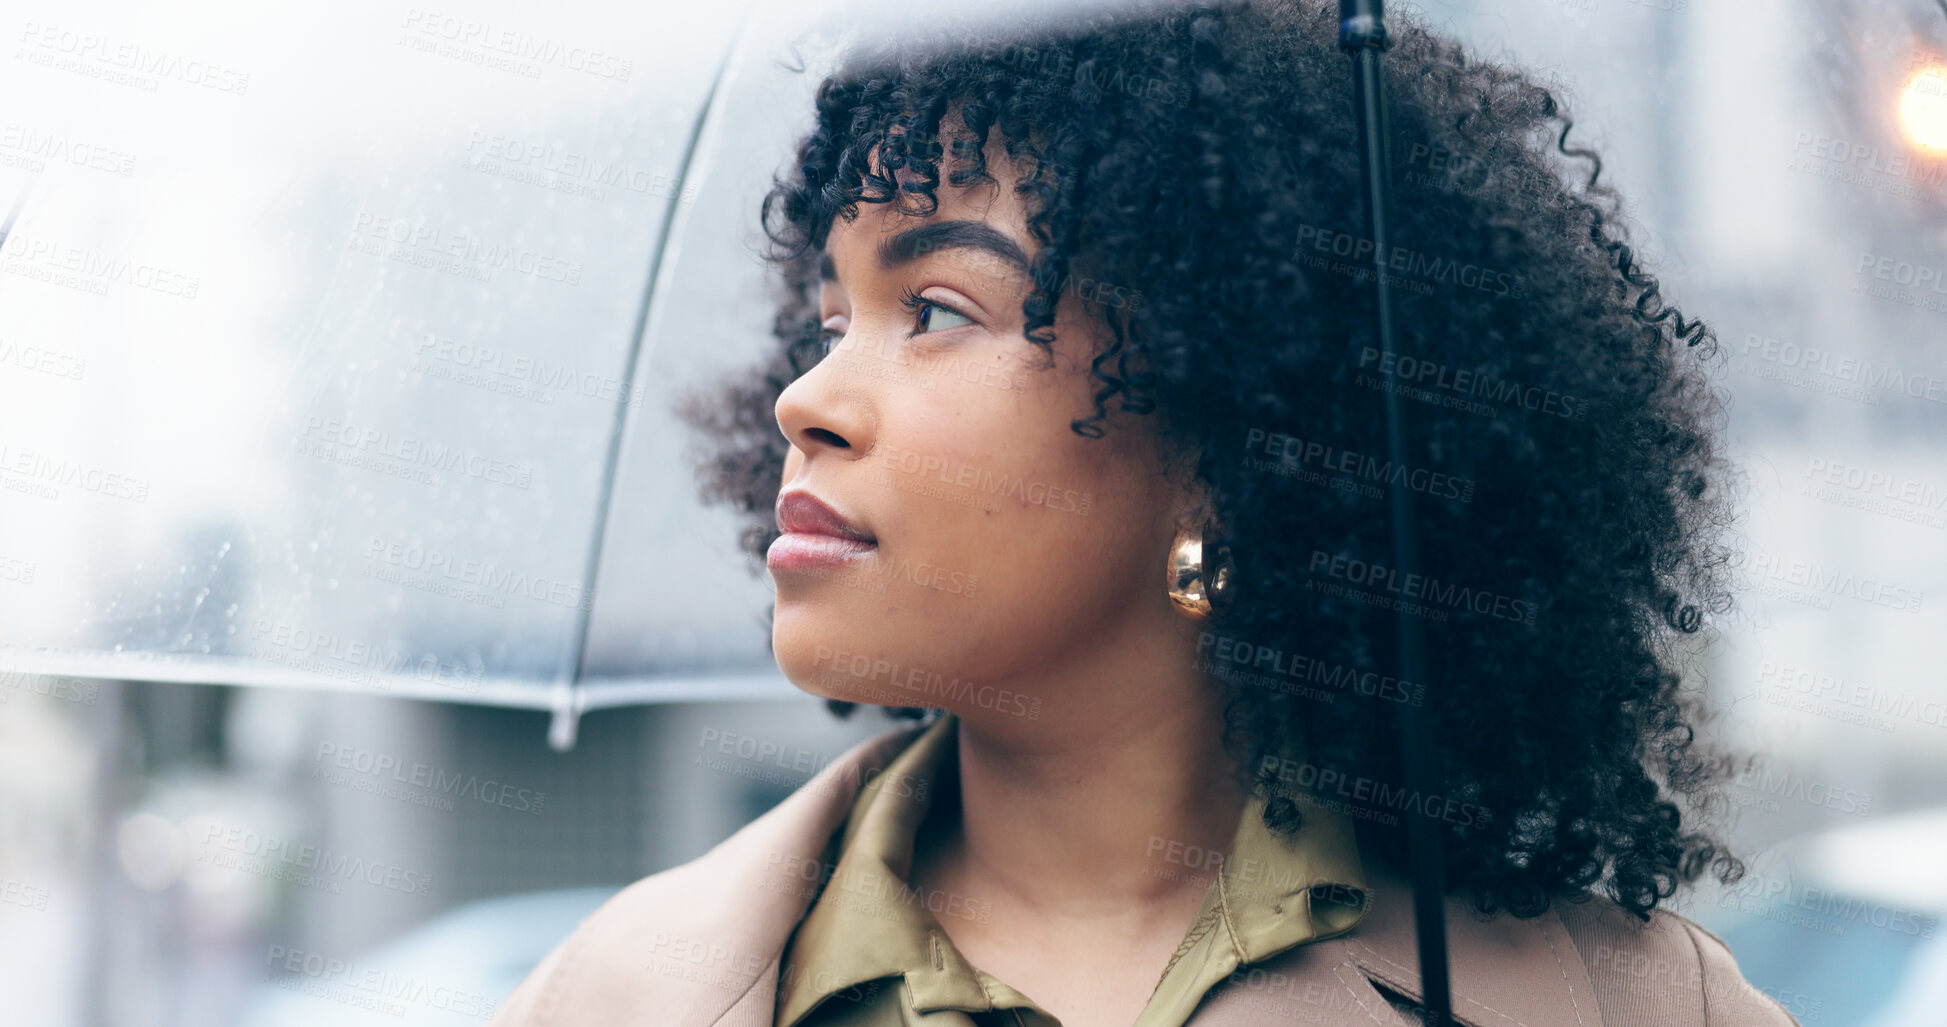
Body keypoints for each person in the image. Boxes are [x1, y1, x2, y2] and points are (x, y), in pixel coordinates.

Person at [491, 0, 1797, 1023]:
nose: (808, 399)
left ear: (1228, 432)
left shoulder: (1622, 1008)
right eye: (829, 321)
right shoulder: (613, 1001)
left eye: (935, 310)